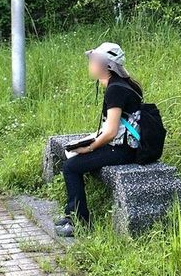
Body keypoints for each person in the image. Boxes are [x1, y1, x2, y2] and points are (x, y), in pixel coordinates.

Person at [55, 42, 142, 237]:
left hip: (123, 150)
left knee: (71, 166)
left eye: (93, 60)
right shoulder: (122, 84)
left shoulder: (115, 90)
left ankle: (78, 220)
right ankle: (74, 215)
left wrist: (90, 147)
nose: (90, 64)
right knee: (73, 155)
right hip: (126, 145)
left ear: (106, 66)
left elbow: (111, 132)